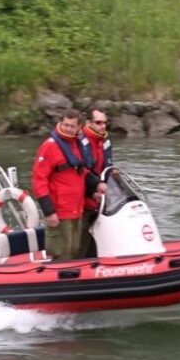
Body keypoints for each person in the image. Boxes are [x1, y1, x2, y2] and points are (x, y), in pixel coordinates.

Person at [31, 109, 92, 261]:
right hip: (59, 212)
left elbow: (81, 172)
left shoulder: (77, 145)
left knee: (74, 250)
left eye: (72, 126)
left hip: (76, 210)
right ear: (60, 123)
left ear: (79, 128)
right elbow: (39, 180)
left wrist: (96, 186)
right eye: (65, 125)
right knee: (61, 254)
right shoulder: (50, 146)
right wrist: (49, 211)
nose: (68, 129)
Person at [79, 104, 113, 257]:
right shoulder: (80, 141)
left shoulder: (105, 142)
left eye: (104, 122)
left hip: (99, 200)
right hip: (83, 200)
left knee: (97, 244)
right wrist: (95, 189)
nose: (103, 126)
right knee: (82, 243)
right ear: (89, 123)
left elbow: (107, 168)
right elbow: (80, 172)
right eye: (98, 123)